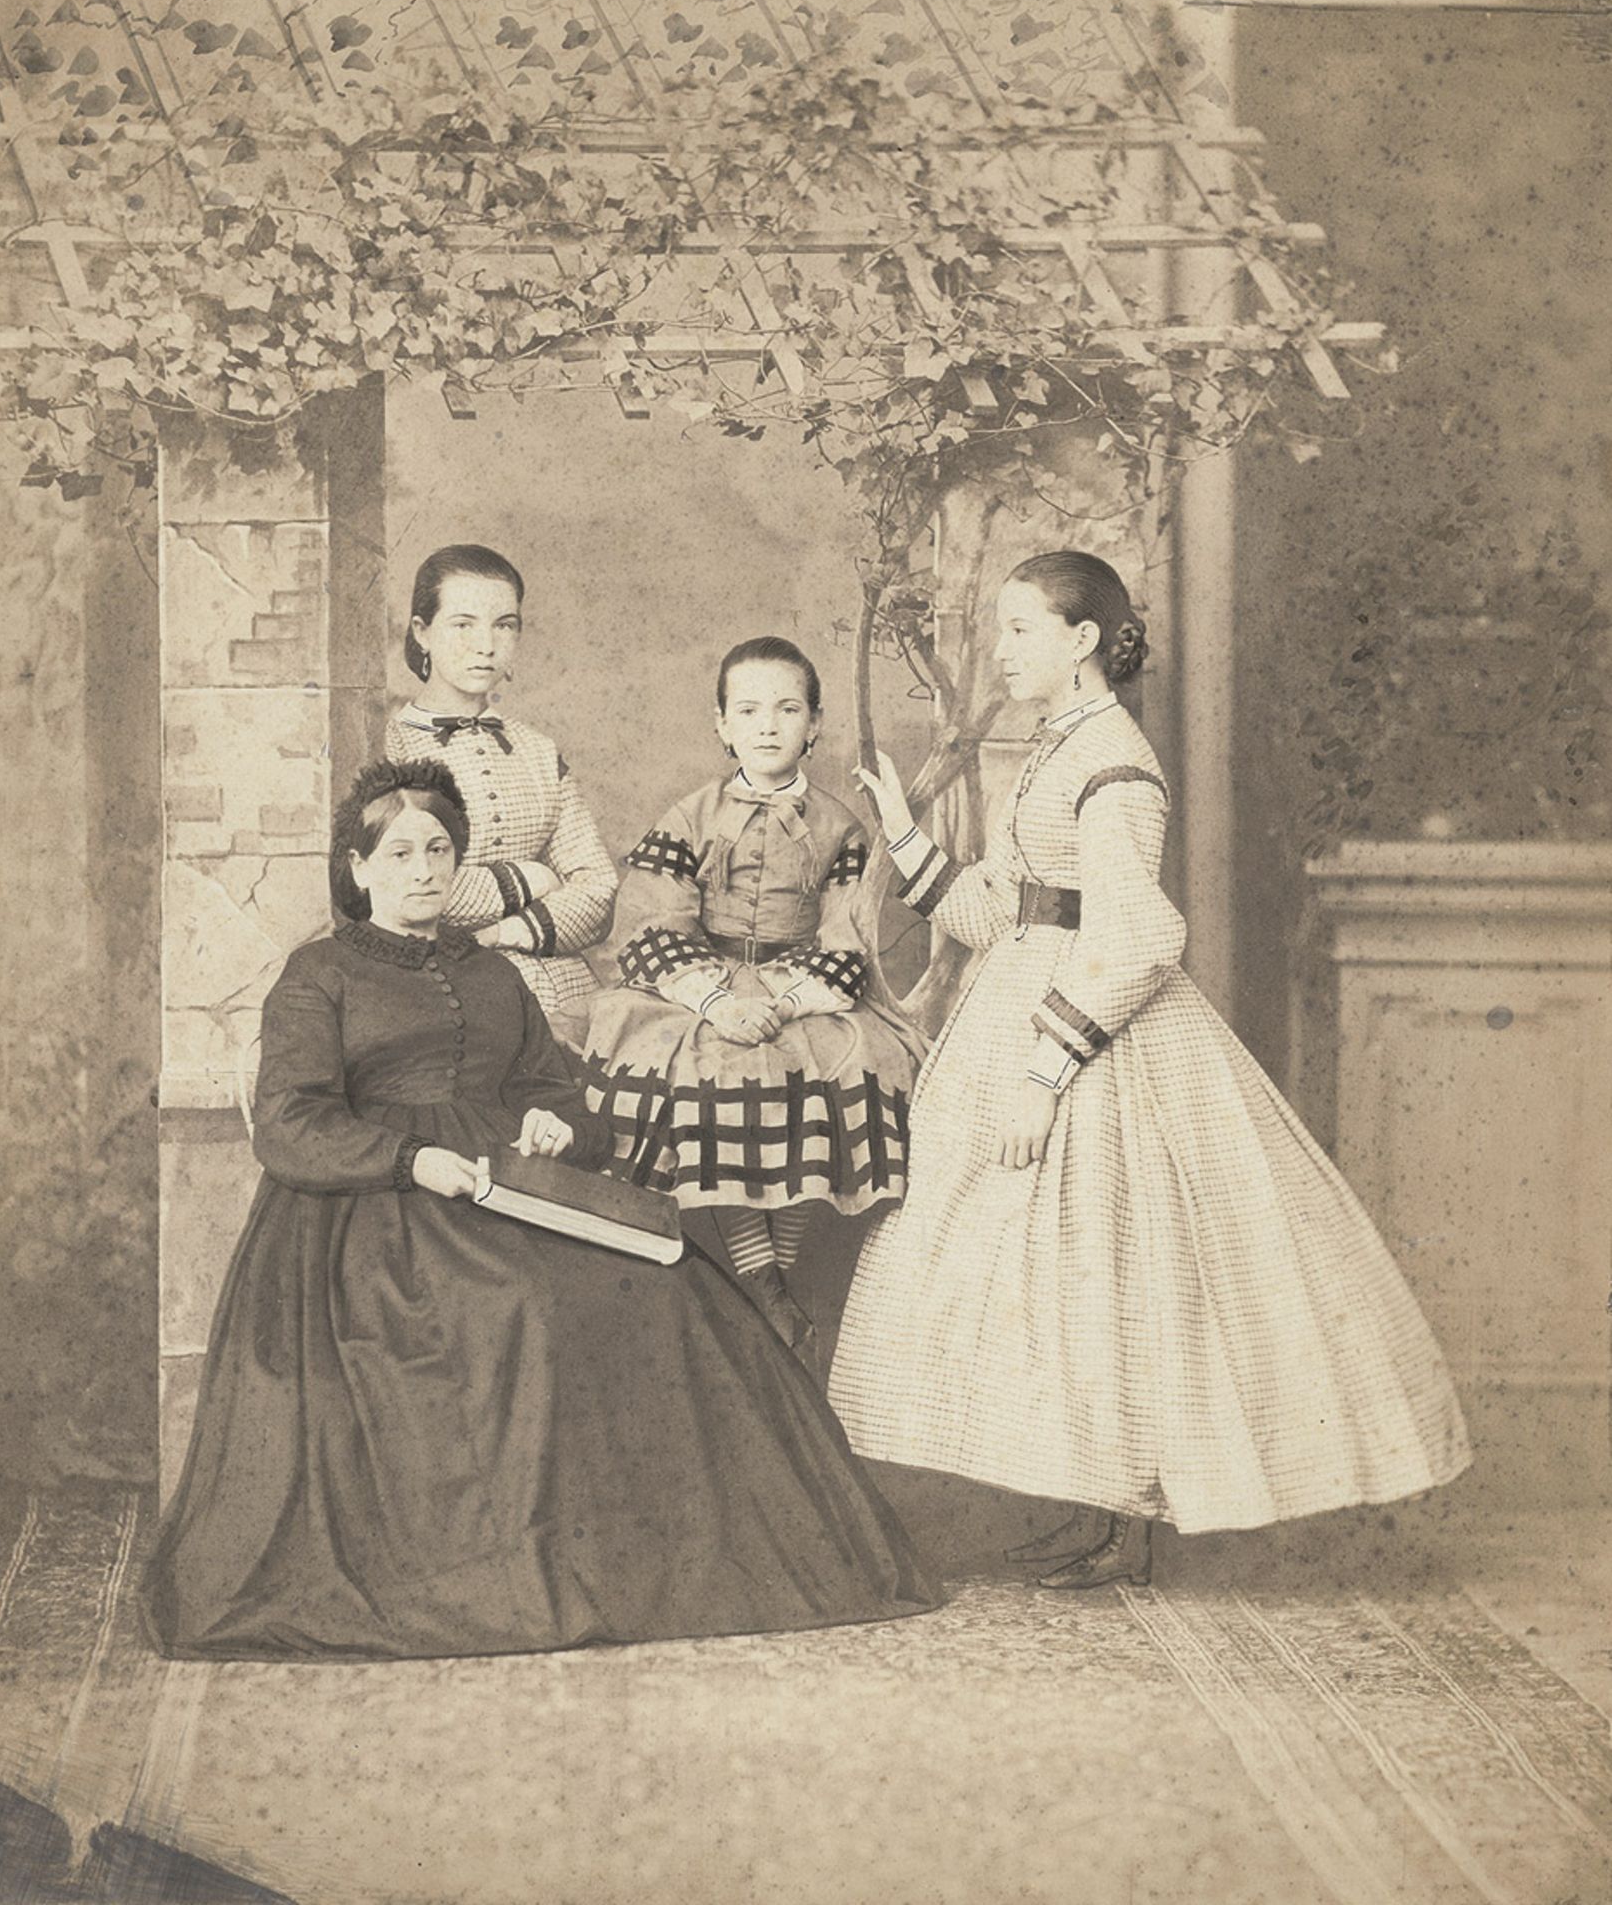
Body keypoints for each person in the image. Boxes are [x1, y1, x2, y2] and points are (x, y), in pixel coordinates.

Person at [142, 757, 938, 1660]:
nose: (422, 871)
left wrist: (557, 1128)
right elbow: (290, 1123)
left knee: (669, 1289)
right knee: (519, 1312)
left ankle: (643, 1568)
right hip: (369, 1222)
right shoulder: (318, 973)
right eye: (398, 853)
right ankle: (510, 1572)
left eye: (438, 849)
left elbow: (558, 1092)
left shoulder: (488, 973)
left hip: (507, 1189)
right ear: (357, 869)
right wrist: (411, 1158)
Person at [830, 550, 1470, 1588]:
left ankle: (1124, 1517)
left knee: (1113, 1271)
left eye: (1021, 629)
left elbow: (1137, 936)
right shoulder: (1057, 747)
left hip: (1087, 1034)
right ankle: (1092, 1504)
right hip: (1021, 1000)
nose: (1001, 649)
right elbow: (995, 911)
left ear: (1083, 641)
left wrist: (1047, 1073)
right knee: (1055, 1276)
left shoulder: (1117, 761)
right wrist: (903, 830)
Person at [581, 638, 924, 1371]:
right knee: (706, 1072)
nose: (767, 726)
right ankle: (761, 1281)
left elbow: (848, 932)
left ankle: (778, 1274)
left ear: (815, 724)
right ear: (721, 725)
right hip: (700, 985)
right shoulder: (689, 814)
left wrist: (792, 1000)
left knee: (834, 1067)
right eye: (748, 710)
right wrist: (712, 998)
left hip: (799, 986)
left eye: (787, 708)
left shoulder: (840, 828)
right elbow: (655, 917)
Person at [386, 543, 616, 1046]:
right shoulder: (393, 746)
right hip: (434, 986)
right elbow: (419, 887)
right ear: (422, 633)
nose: (486, 645)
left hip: (562, 983)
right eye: (463, 624)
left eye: (504, 625)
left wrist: (501, 932)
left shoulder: (537, 749)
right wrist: (536, 877)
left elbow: (599, 888)